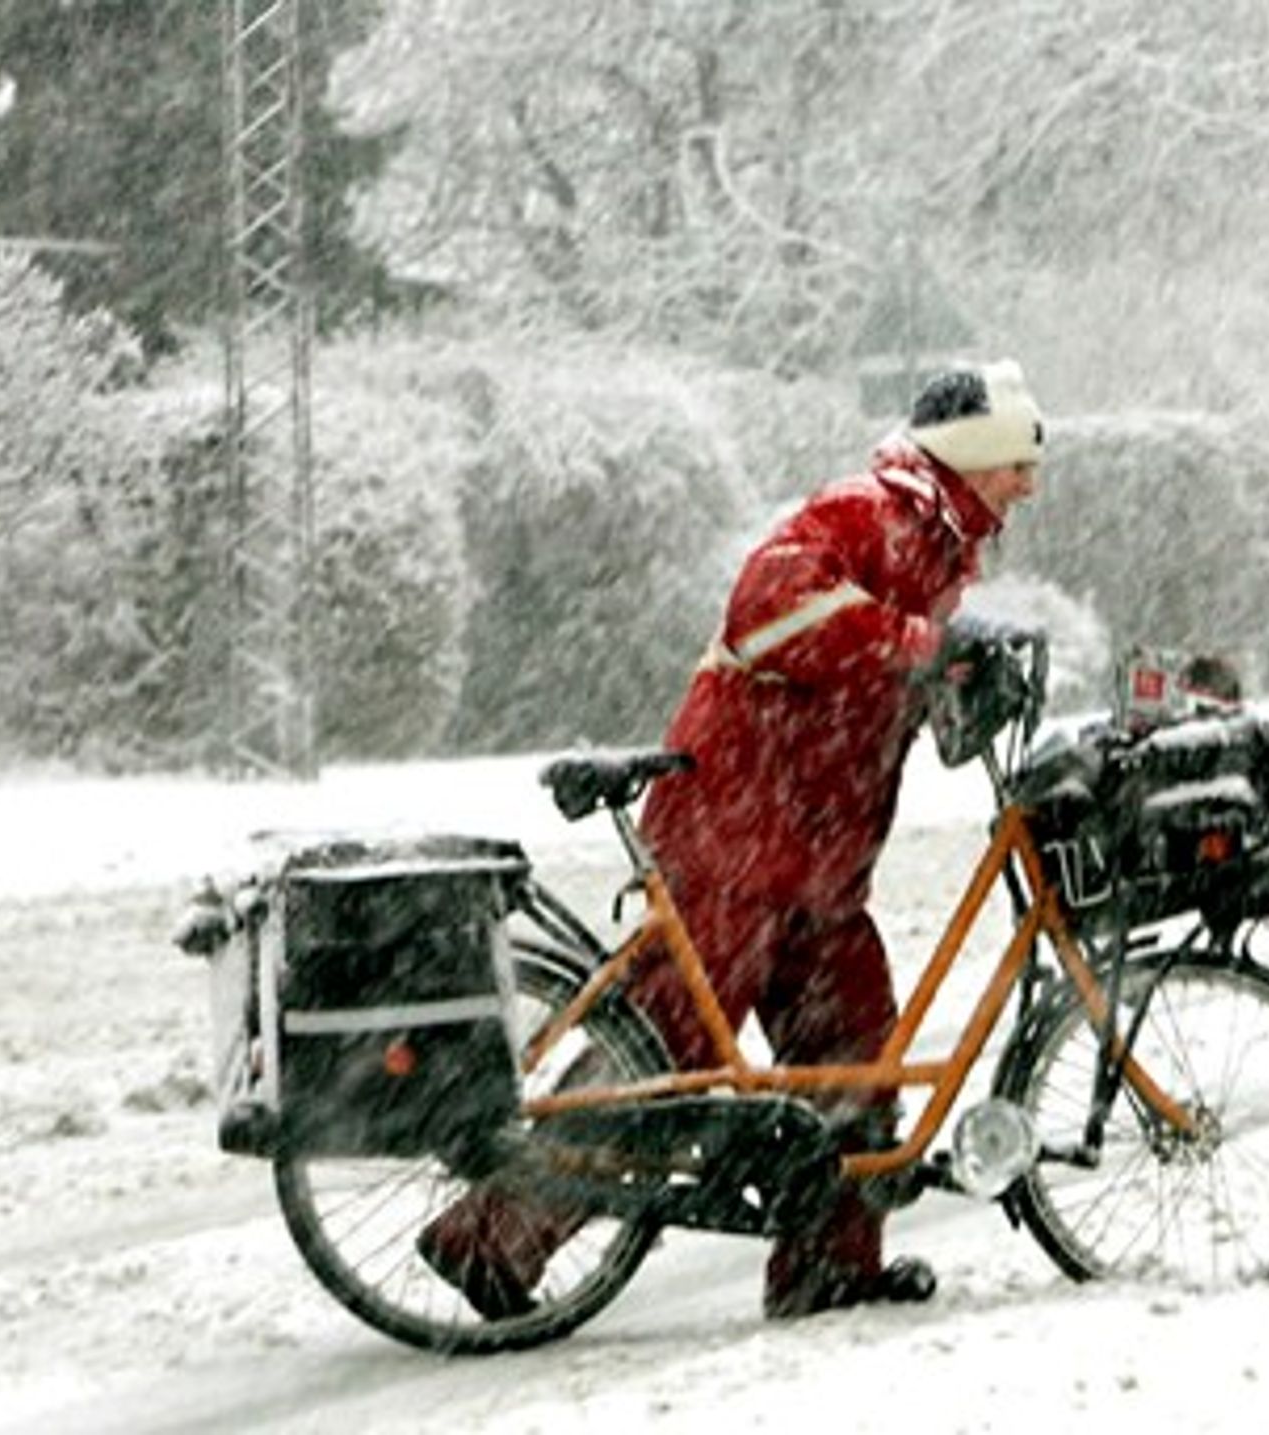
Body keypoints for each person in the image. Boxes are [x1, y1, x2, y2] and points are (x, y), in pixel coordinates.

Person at [418, 359, 1048, 1322]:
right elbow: (770, 614)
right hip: (739, 833)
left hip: (820, 855)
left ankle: (829, 1268)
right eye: (1016, 464)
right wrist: (923, 646)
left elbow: (883, 680)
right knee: (663, 1055)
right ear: (972, 457)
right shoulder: (867, 511)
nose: (1027, 486)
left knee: (850, 1045)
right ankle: (489, 1239)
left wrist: (968, 677)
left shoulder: (939, 546)